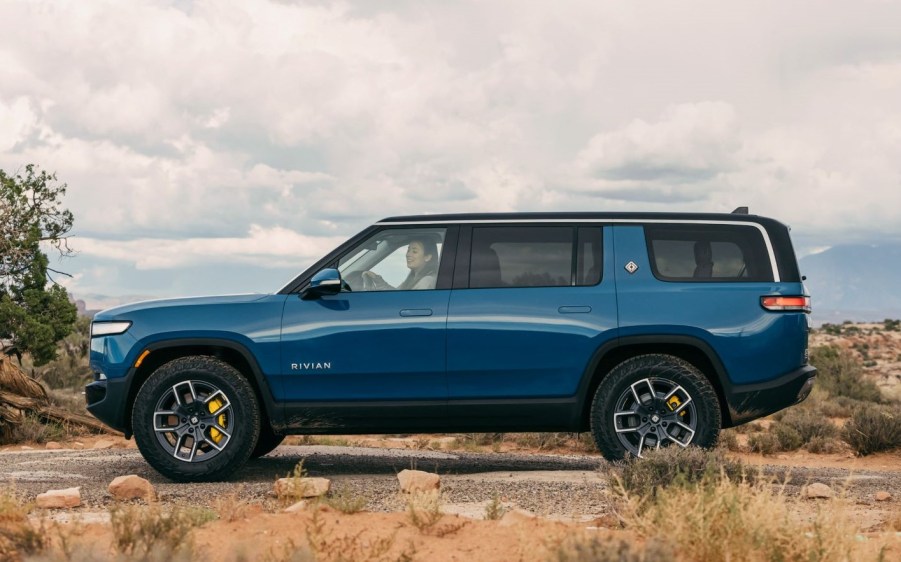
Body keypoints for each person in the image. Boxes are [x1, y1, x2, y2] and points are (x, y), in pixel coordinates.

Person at [362, 238, 439, 290]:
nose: (408, 254)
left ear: (427, 257)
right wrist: (377, 279)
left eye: (414, 251)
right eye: (408, 250)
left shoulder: (426, 281)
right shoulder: (413, 278)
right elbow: (396, 295)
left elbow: (404, 302)